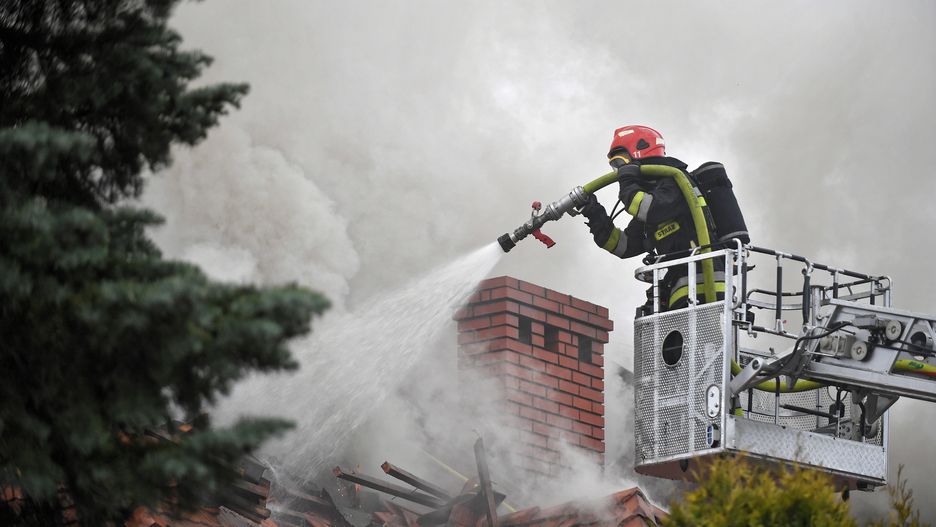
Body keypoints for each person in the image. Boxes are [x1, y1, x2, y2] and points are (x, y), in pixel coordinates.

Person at [580, 125, 742, 312]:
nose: (619, 170)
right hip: (680, 294)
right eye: (615, 165)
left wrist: (628, 182)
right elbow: (623, 246)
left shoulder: (675, 181)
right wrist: (593, 211)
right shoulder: (655, 197)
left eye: (620, 162)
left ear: (640, 151)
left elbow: (647, 208)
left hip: (706, 288)